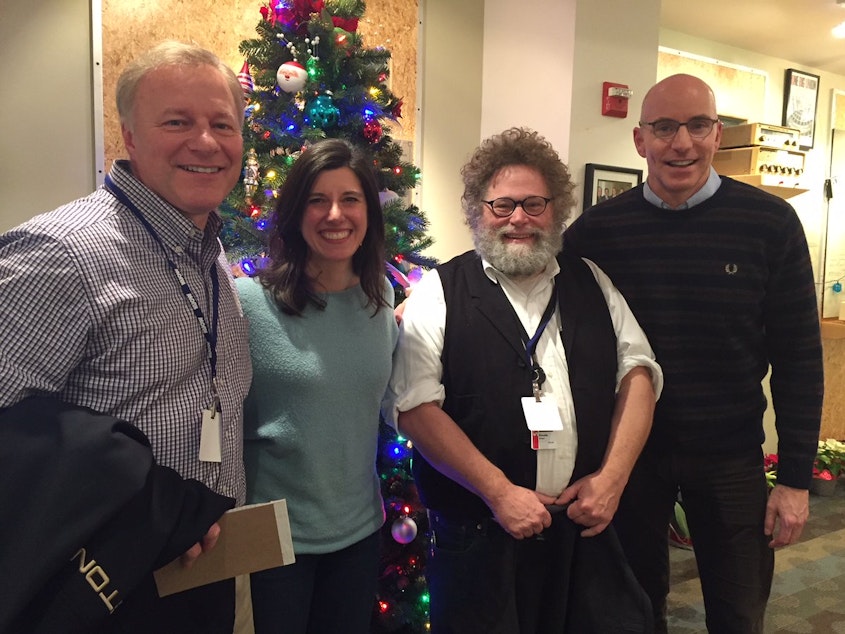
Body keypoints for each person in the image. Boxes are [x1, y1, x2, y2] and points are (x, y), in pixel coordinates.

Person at [0, 41, 252, 633]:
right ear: (129, 137)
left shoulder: (208, 255)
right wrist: (148, 503)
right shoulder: (62, 254)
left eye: (223, 124)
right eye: (177, 122)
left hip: (206, 570)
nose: (206, 142)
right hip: (105, 581)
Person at [564, 73, 825, 634]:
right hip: (628, 456)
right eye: (663, 127)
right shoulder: (596, 233)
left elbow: (800, 359)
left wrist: (796, 480)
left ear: (716, 135)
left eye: (697, 125)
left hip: (730, 455)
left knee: (738, 611)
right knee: (629, 609)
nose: (680, 143)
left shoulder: (771, 226)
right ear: (640, 139)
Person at [386, 126, 663, 632]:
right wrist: (499, 493)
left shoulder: (593, 281)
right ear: (478, 211)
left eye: (535, 204)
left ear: (556, 210)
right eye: (503, 205)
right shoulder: (439, 291)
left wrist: (613, 480)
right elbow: (415, 409)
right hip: (479, 535)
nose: (519, 219)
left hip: (584, 529)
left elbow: (640, 374)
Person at [237, 139, 398, 634]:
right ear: (295, 212)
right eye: (317, 200)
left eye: (350, 199)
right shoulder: (247, 303)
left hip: (358, 532)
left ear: (369, 210)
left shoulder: (382, 299)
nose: (335, 215)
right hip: (273, 541)